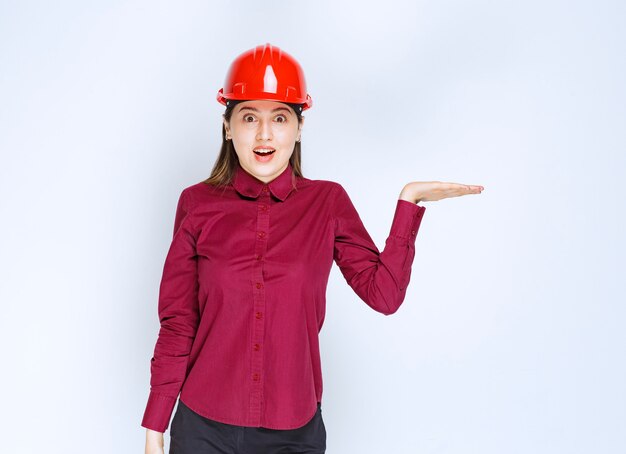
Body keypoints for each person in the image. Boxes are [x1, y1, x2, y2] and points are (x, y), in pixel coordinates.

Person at [142, 42, 484, 454]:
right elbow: (179, 323)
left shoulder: (328, 203)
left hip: (294, 432)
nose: (264, 134)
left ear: (299, 127)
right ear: (228, 125)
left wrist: (409, 203)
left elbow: (385, 295)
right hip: (203, 429)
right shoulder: (196, 204)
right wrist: (155, 426)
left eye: (280, 118)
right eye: (249, 117)